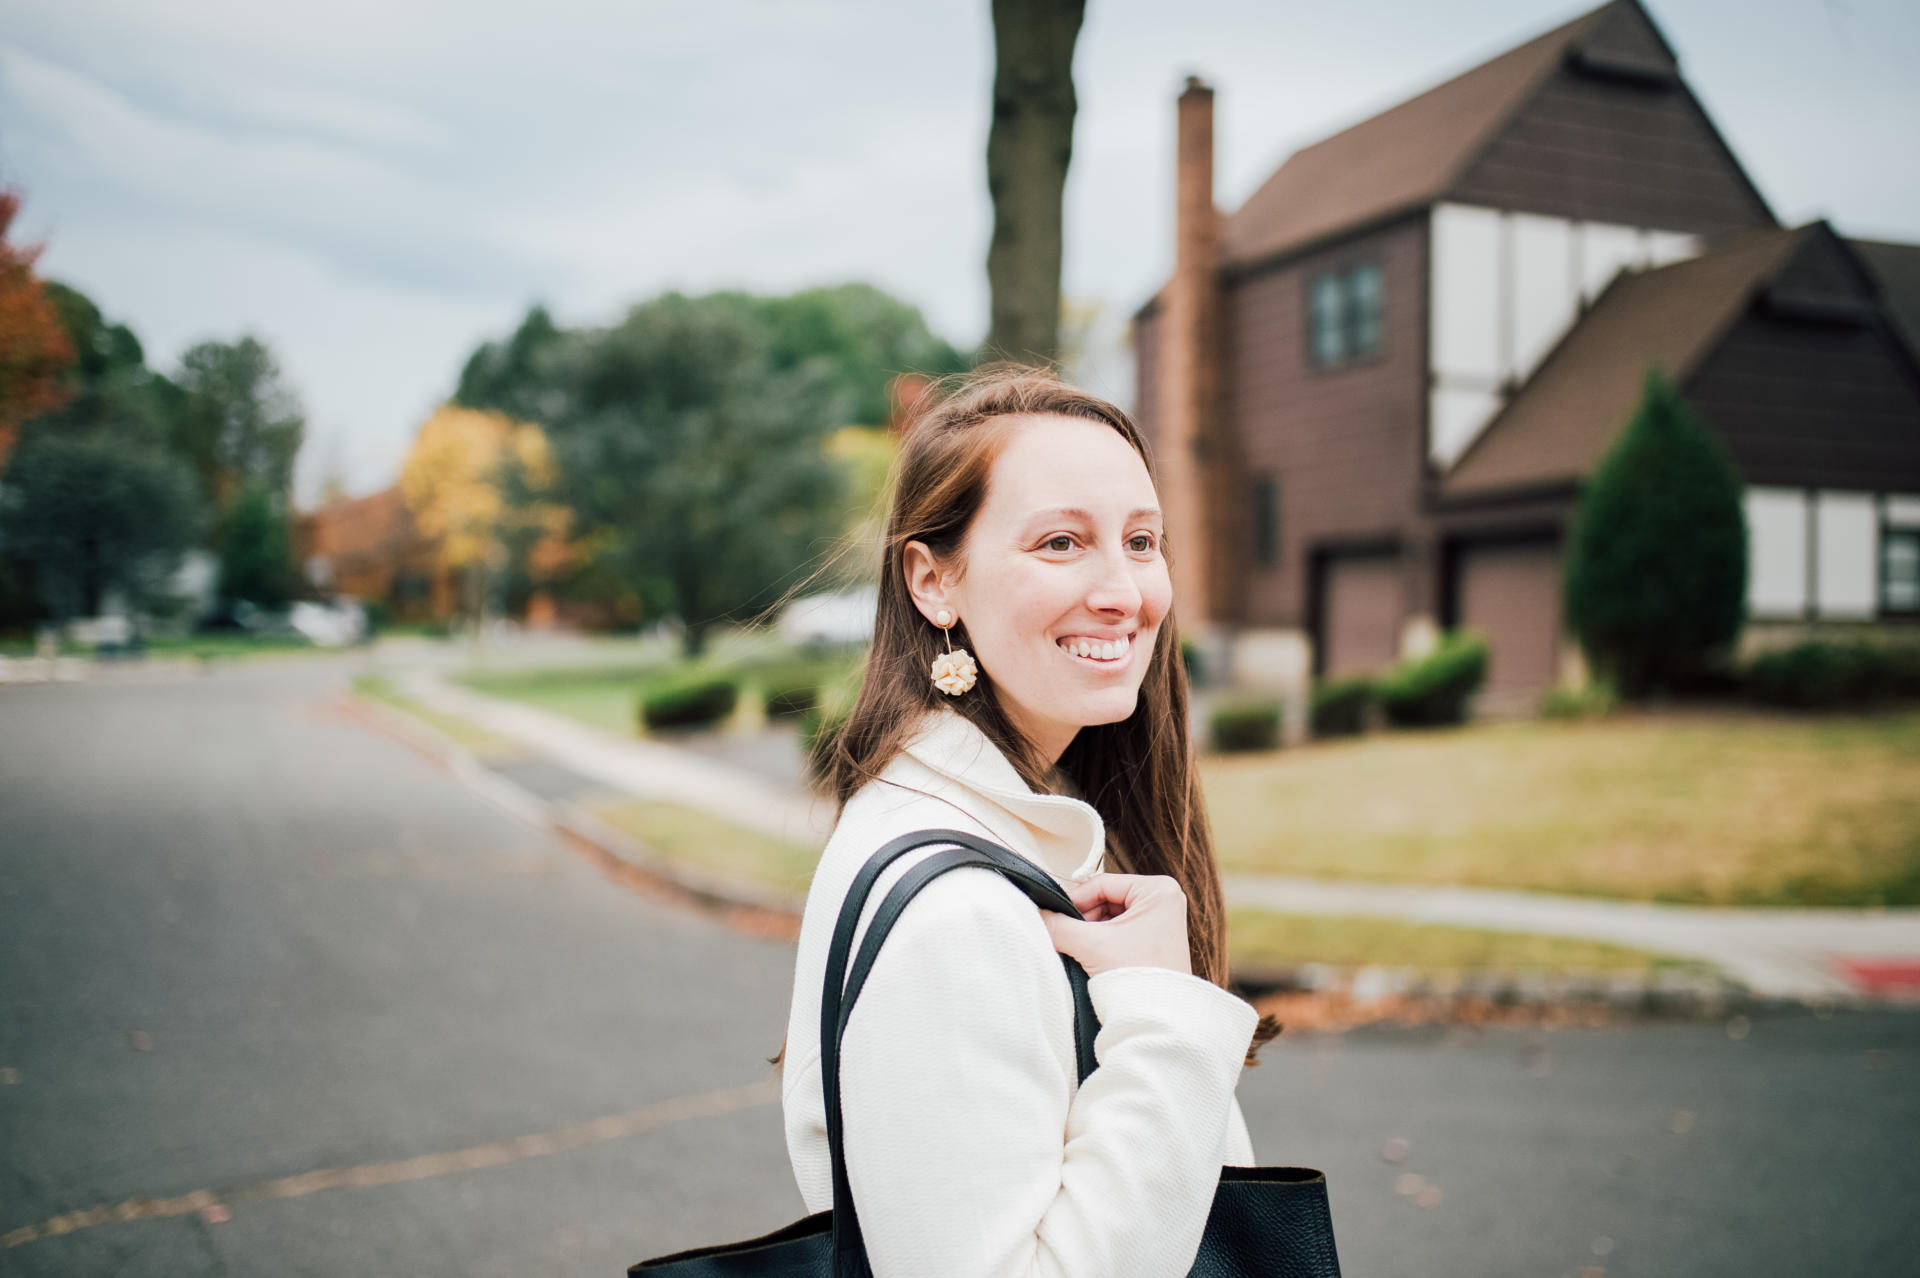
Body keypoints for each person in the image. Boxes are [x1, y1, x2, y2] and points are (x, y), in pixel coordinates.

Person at [773, 365, 1280, 1278]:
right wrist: (1163, 1016)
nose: (1125, 592)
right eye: (1060, 543)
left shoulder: (1007, 823)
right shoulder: (956, 916)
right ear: (933, 582)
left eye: (1141, 540)